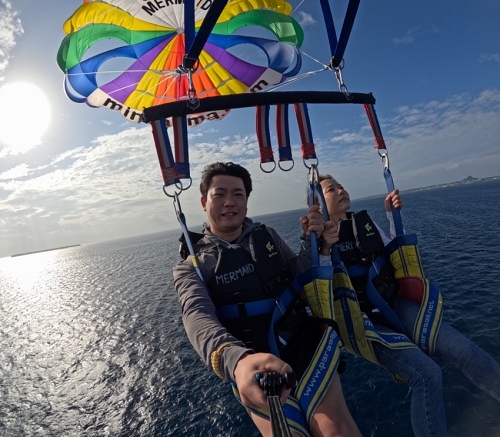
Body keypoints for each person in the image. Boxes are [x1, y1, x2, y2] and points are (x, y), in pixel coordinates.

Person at [173, 162, 361, 437]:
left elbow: (299, 275)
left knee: (336, 429)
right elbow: (196, 316)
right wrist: (236, 361)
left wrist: (315, 243)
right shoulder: (193, 267)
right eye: (219, 194)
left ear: (246, 202)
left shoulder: (266, 236)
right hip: (255, 363)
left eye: (238, 194)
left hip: (304, 342)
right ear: (204, 202)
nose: (229, 202)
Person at [319, 174, 500, 437]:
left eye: (341, 186)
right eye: (330, 189)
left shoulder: (364, 223)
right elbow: (319, 286)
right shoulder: (318, 242)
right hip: (364, 325)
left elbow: (395, 250)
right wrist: (324, 246)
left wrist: (392, 215)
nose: (340, 191)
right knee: (427, 374)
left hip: (394, 304)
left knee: (464, 350)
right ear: (317, 205)